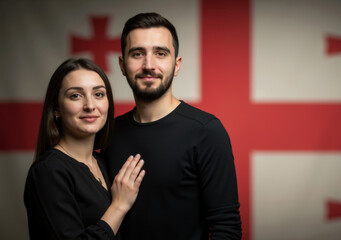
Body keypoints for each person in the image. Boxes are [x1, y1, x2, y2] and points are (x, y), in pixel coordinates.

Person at [103, 12, 242, 239]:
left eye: (160, 53)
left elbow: (226, 228)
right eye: (137, 53)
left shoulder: (206, 132)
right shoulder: (109, 133)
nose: (149, 65)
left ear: (176, 65)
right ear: (122, 64)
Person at [24, 58, 145, 240]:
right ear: (56, 108)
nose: (90, 105)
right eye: (76, 95)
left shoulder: (103, 162)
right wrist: (119, 206)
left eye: (98, 94)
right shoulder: (48, 171)